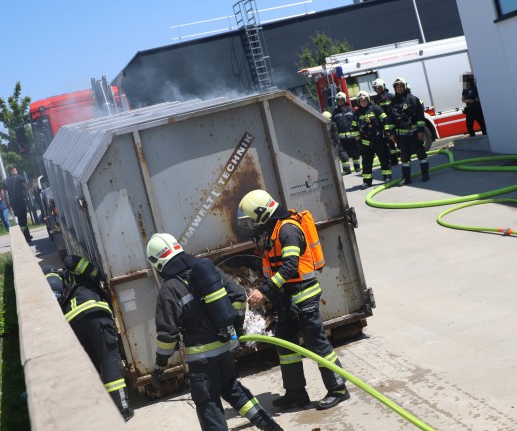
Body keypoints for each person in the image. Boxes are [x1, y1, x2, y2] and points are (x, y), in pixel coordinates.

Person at [146, 233, 283, 431]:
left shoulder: (170, 288)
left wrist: (159, 367)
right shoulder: (210, 270)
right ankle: (270, 426)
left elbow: (168, 335)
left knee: (208, 402)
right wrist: (235, 329)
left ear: (157, 262)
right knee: (231, 388)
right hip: (226, 347)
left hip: (201, 360)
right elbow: (237, 296)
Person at [239, 190, 349, 411]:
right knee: (285, 342)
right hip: (289, 299)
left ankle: (338, 389)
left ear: (262, 213)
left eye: (253, 218)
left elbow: (290, 267)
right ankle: (296, 393)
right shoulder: (274, 229)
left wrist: (265, 291)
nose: (251, 224)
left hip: (303, 297)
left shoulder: (288, 230)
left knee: (317, 344)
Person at [43, 256, 134, 421]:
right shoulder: (74, 273)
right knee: (109, 363)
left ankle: (97, 411)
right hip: (96, 314)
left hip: (73, 324)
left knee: (91, 369)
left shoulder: (58, 284)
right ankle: (122, 409)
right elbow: (84, 266)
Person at [388, 77, 430, 185]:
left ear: (405, 86)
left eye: (401, 86)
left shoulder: (413, 99)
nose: (399, 88)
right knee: (405, 157)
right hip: (402, 135)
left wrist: (421, 131)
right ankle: (406, 178)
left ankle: (425, 173)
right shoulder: (393, 103)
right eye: (397, 87)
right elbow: (391, 120)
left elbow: (420, 117)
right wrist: (392, 133)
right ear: (395, 89)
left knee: (421, 153)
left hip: (415, 132)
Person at [351, 90, 392, 189]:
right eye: (361, 100)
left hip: (378, 138)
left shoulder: (376, 108)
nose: (363, 101)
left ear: (368, 99)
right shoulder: (357, 113)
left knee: (384, 158)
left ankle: (387, 176)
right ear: (358, 102)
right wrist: (358, 140)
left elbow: (385, 120)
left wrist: (387, 133)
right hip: (365, 141)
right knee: (366, 162)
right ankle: (367, 181)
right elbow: (354, 127)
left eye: (365, 100)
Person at [370, 79, 399, 166]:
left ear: (383, 87)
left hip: (393, 123)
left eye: (379, 87)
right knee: (388, 143)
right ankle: (393, 160)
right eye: (376, 88)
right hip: (383, 125)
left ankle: (400, 157)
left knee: (397, 140)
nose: (377, 89)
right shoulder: (375, 100)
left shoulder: (390, 96)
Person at [331, 92, 361, 175]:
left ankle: (357, 167)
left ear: (344, 100)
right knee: (343, 154)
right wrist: (334, 137)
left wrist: (358, 135)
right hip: (342, 139)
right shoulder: (335, 112)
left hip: (352, 137)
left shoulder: (350, 110)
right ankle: (346, 169)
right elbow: (333, 126)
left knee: (355, 153)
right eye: (338, 100)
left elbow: (356, 123)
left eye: (341, 100)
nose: (340, 102)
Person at [1, 166, 32, 243]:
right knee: (23, 220)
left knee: (20, 219)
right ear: (13, 171)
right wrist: (26, 194)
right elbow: (26, 186)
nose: (16, 171)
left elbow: (2, 193)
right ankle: (26, 236)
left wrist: (5, 203)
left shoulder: (5, 181)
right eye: (15, 170)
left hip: (13, 202)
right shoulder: (19, 177)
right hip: (21, 200)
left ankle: (26, 235)